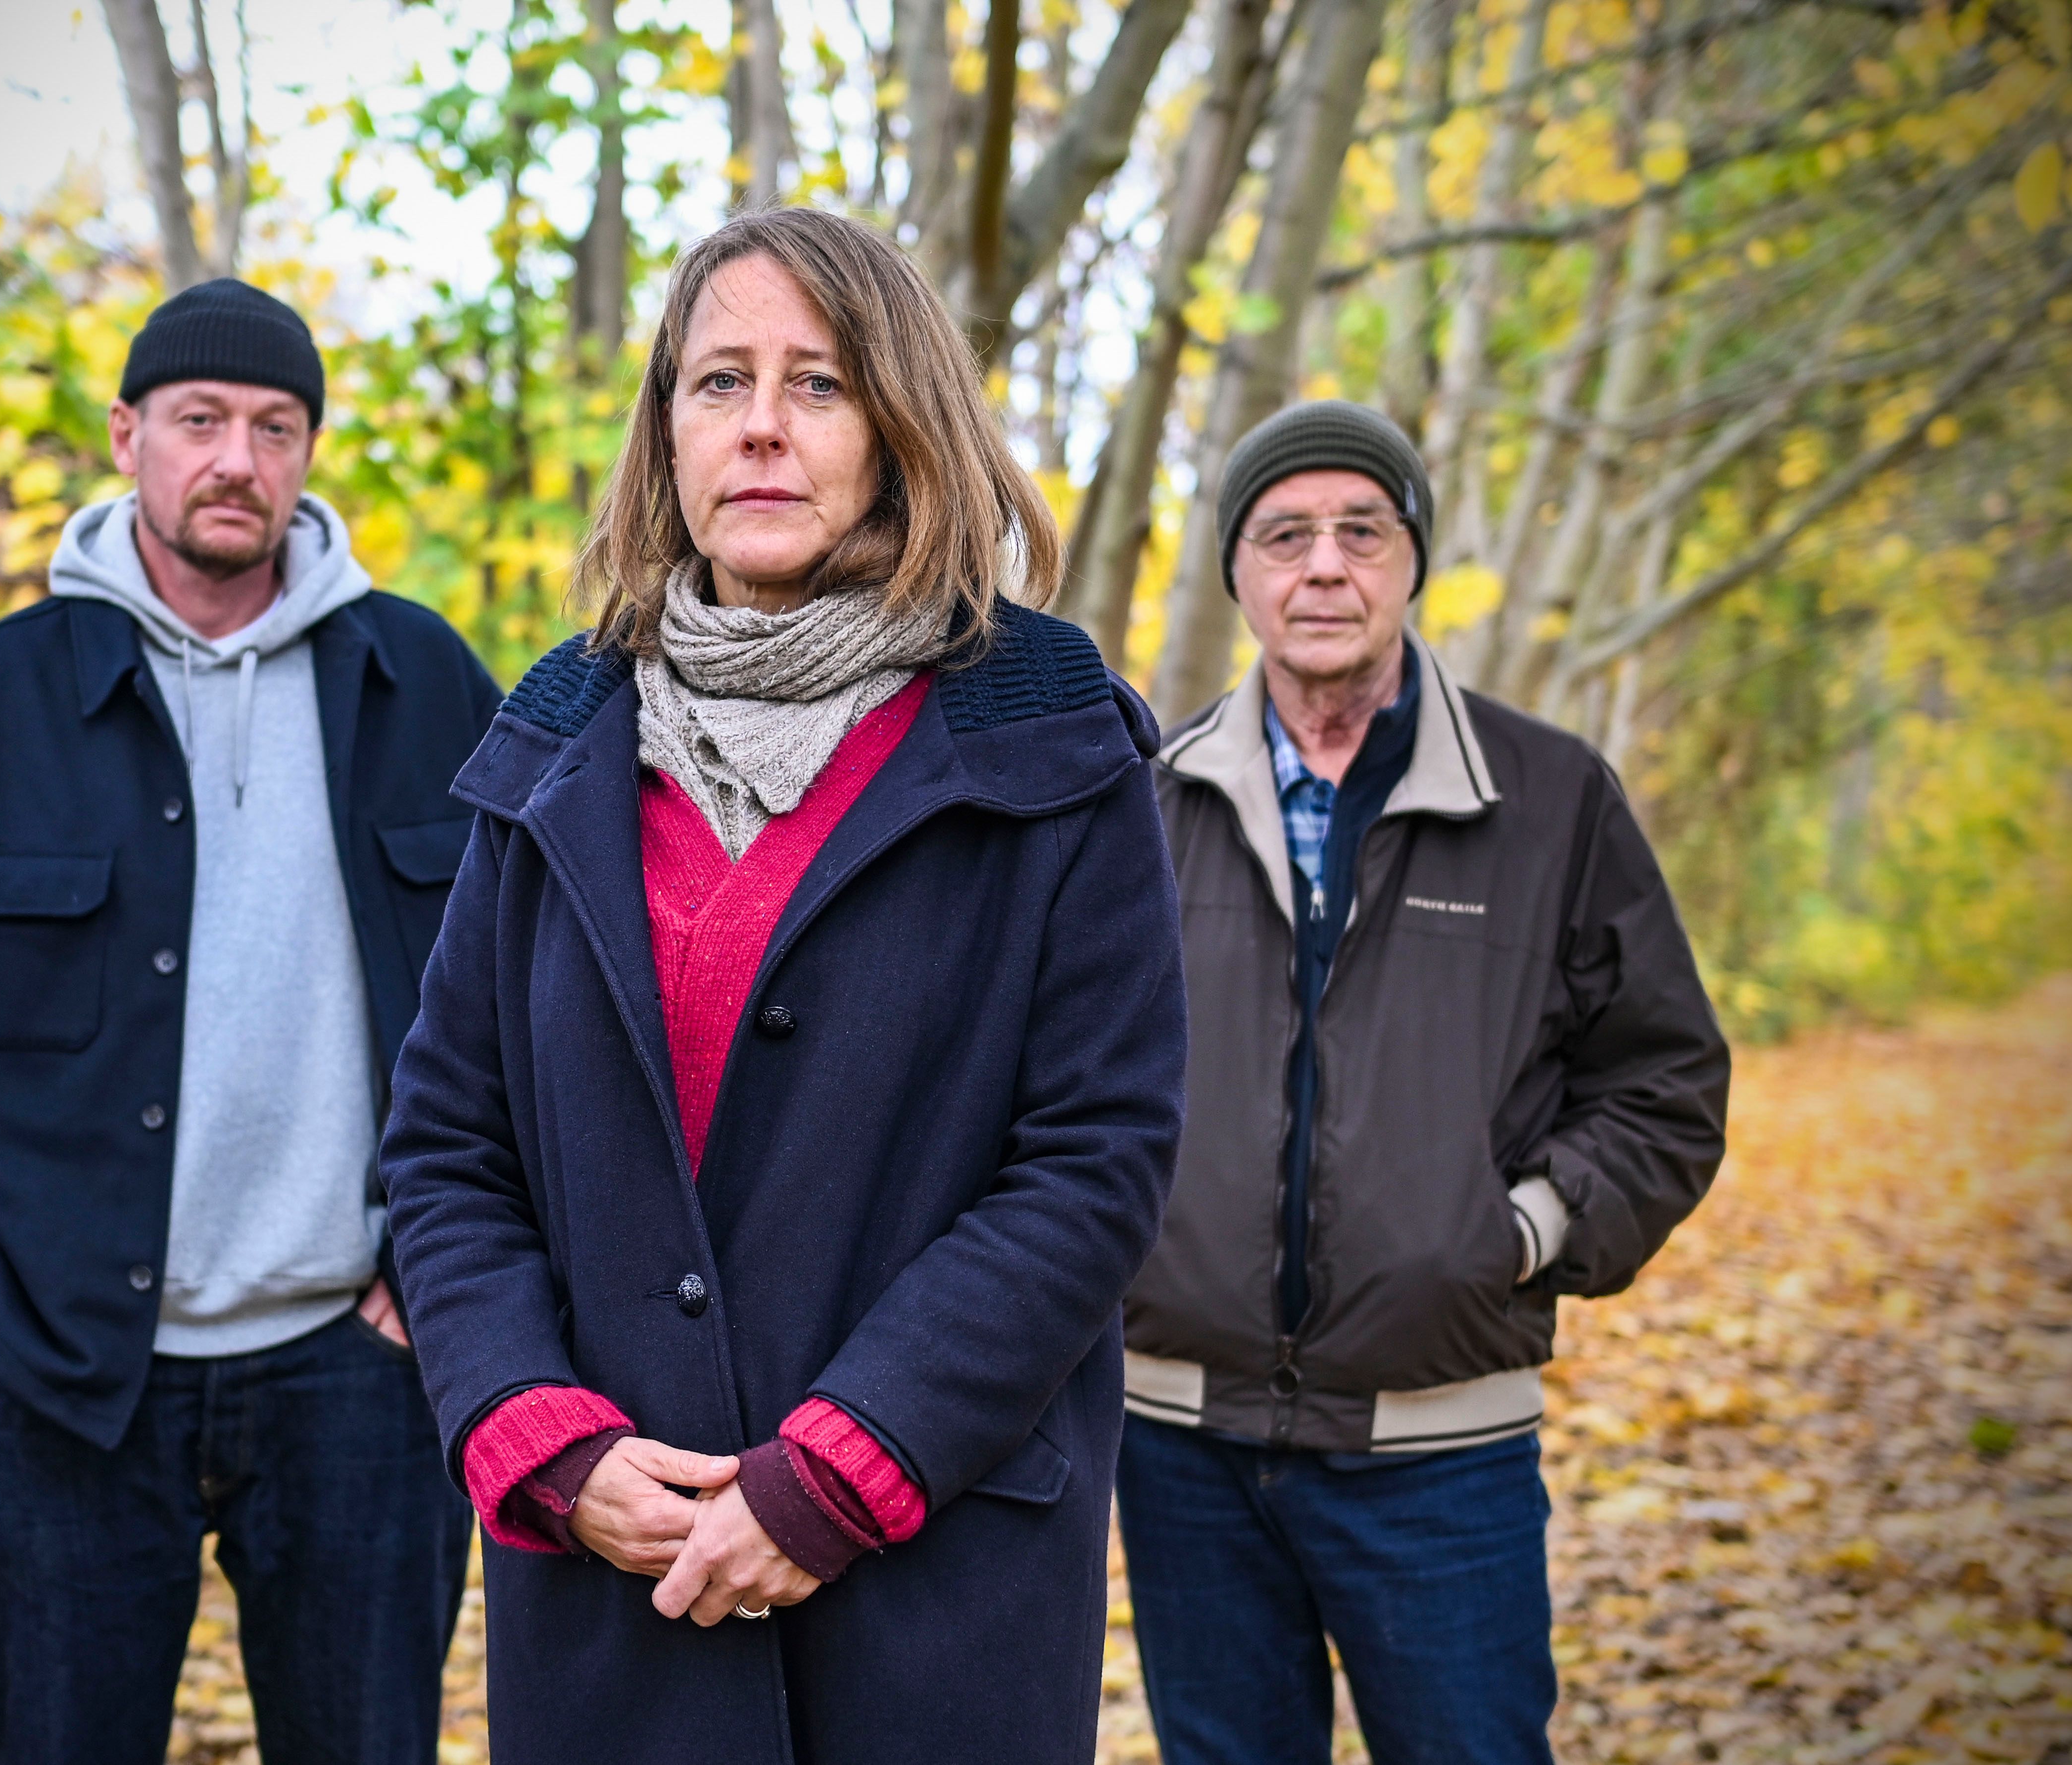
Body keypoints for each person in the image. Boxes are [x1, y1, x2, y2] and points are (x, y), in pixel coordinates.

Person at [379, 206, 1187, 1764]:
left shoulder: (1053, 739)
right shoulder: (553, 745)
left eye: (818, 386)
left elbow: (1093, 1165)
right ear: (664, 430)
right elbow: (444, 1149)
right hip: (622, 1595)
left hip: (933, 1586)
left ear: (901, 426)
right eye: (717, 381)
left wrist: (837, 1471)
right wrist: (535, 1433)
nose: (761, 427)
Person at [0, 278, 501, 1765]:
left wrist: (446, 1274)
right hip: (66, 1381)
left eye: (274, 426)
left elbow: (541, 1005)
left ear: (310, 450)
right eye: (199, 422)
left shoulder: (429, 685)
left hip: (358, 1371)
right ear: (130, 435)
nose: (236, 460)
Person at [1118, 399, 1732, 1764]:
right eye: (1285, 536)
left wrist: (1521, 1231)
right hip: (1177, 1445)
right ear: (1239, 573)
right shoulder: (1143, 801)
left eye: (1361, 531)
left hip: (1439, 1450)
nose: (1323, 566)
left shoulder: (1553, 797)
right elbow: (1061, 1081)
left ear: (1412, 560)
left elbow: (1665, 1078)